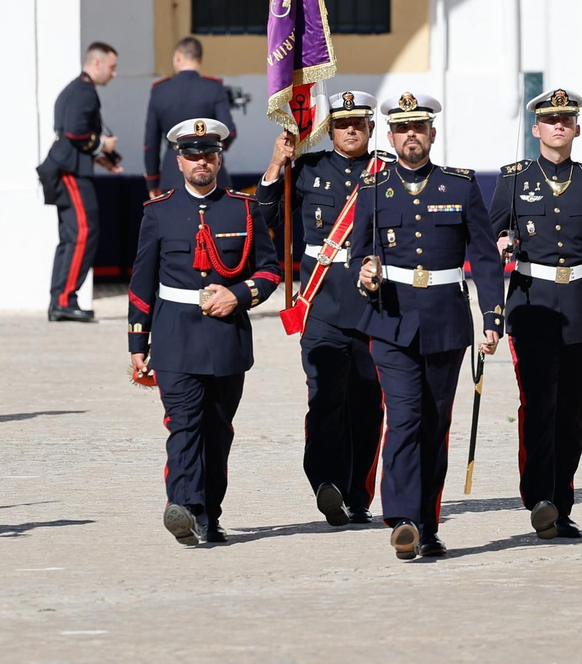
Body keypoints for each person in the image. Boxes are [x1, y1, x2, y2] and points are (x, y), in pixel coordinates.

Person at [353, 92, 504, 561]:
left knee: (434, 426)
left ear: (432, 133)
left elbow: (485, 257)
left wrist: (493, 316)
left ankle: (428, 524)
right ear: (390, 136)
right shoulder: (373, 188)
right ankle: (402, 520)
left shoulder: (460, 186)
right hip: (391, 320)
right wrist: (364, 271)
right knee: (404, 419)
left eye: (418, 127)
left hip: (445, 321)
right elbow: (359, 252)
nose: (410, 136)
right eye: (402, 129)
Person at [127, 118, 281, 546]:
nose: (201, 162)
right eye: (192, 155)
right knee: (183, 425)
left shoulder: (243, 209)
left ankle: (209, 514)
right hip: (174, 335)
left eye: (209, 154)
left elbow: (270, 270)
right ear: (179, 161)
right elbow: (142, 281)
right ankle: (184, 507)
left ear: (219, 159)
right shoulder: (158, 212)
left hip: (225, 336)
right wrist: (138, 341)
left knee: (217, 430)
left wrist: (239, 294)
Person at [489, 87, 582, 540]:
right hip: (532, 307)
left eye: (566, 120)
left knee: (572, 412)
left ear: (576, 128)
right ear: (536, 129)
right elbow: (490, 233)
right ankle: (540, 499)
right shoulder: (513, 179)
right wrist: (501, 241)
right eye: (550, 120)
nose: (558, 126)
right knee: (538, 406)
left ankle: (561, 504)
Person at [256, 91, 387, 526]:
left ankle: (358, 496)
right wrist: (276, 164)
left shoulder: (386, 173)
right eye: (342, 123)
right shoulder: (308, 170)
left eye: (358, 123)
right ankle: (326, 482)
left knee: (367, 406)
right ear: (329, 130)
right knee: (325, 398)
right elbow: (266, 217)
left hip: (375, 308)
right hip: (322, 305)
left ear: (370, 127)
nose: (350, 130)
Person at [38, 42, 122, 322]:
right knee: (83, 232)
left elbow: (75, 135)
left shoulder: (75, 89)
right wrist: (103, 144)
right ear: (97, 63)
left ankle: (60, 300)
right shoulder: (84, 91)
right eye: (112, 67)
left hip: (67, 167)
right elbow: (76, 132)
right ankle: (65, 300)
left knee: (71, 236)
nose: (114, 74)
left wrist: (101, 157)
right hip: (70, 171)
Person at [143, 37, 236, 197]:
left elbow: (151, 144)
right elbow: (229, 132)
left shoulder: (160, 90)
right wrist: (211, 148)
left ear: (178, 57)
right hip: (211, 176)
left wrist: (152, 182)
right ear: (200, 59)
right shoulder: (214, 87)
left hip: (172, 175)